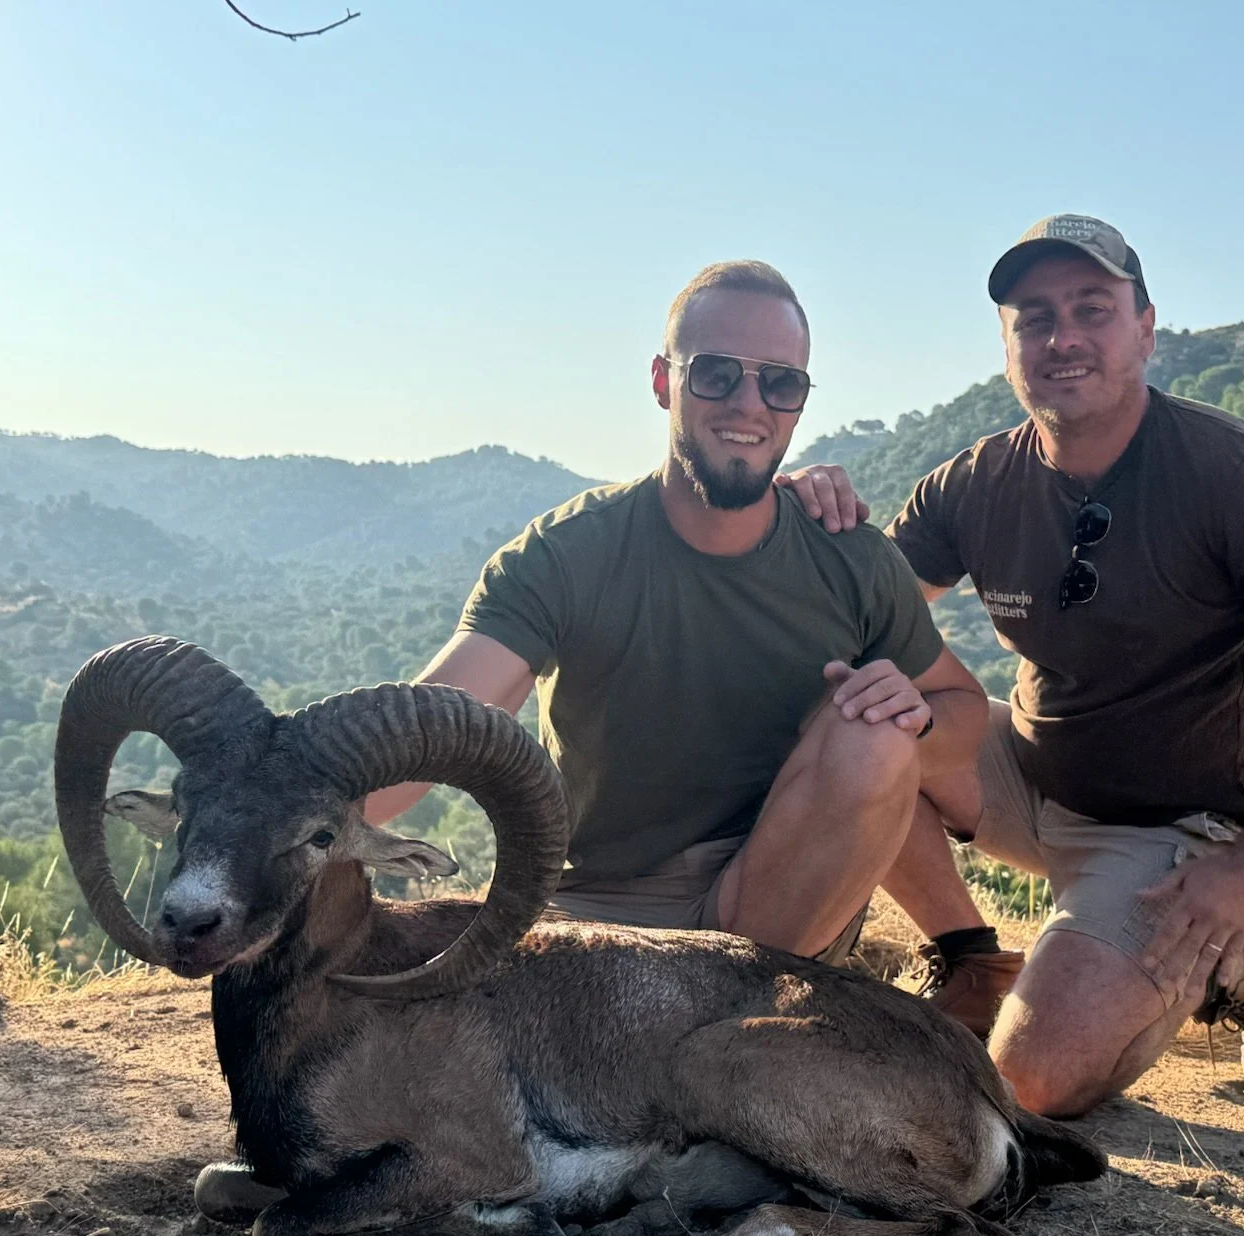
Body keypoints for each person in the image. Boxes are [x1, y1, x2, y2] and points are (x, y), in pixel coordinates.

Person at [793, 215, 1244, 1114]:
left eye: (1093, 308)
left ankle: (1243, 952)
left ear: (1146, 328)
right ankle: (972, 959)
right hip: (1030, 777)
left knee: (1029, 1083)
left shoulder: (1235, 476)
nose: (1064, 336)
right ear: (1007, 343)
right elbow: (855, 618)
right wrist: (805, 510)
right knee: (848, 719)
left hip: (1173, 834)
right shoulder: (972, 483)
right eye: (1035, 317)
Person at [365, 260, 988, 961]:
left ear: (801, 401)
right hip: (597, 913)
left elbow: (960, 709)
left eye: (780, 382)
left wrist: (913, 720)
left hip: (777, 899)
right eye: (717, 373)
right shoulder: (567, 555)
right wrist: (283, 821)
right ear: (664, 382)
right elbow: (435, 727)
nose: (750, 404)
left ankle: (746, 1014)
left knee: (875, 737)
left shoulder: (849, 559)